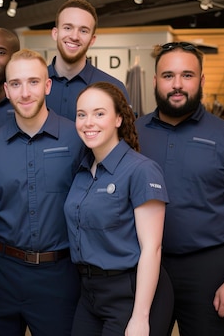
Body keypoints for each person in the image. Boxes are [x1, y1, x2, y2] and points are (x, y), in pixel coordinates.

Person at [135, 42, 224, 335]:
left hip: (209, 269)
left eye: (187, 75)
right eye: (168, 76)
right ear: (155, 81)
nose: (177, 85)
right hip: (146, 266)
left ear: (202, 80)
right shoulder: (133, 133)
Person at [0, 49, 84, 336]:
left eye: (33, 82)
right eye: (17, 84)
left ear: (47, 86)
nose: (25, 93)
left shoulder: (77, 139)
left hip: (60, 275)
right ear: (7, 90)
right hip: (1, 274)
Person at [64, 81, 173, 335]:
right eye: (82, 115)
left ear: (118, 119)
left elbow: (152, 249)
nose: (88, 122)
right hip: (90, 292)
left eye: (99, 113)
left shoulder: (141, 170)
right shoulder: (83, 171)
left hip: (131, 292)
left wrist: (140, 317)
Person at [47, 0, 129, 121]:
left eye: (83, 31)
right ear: (55, 33)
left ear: (92, 40)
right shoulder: (32, 85)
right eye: (68, 28)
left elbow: (127, 137)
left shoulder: (114, 89)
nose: (74, 36)